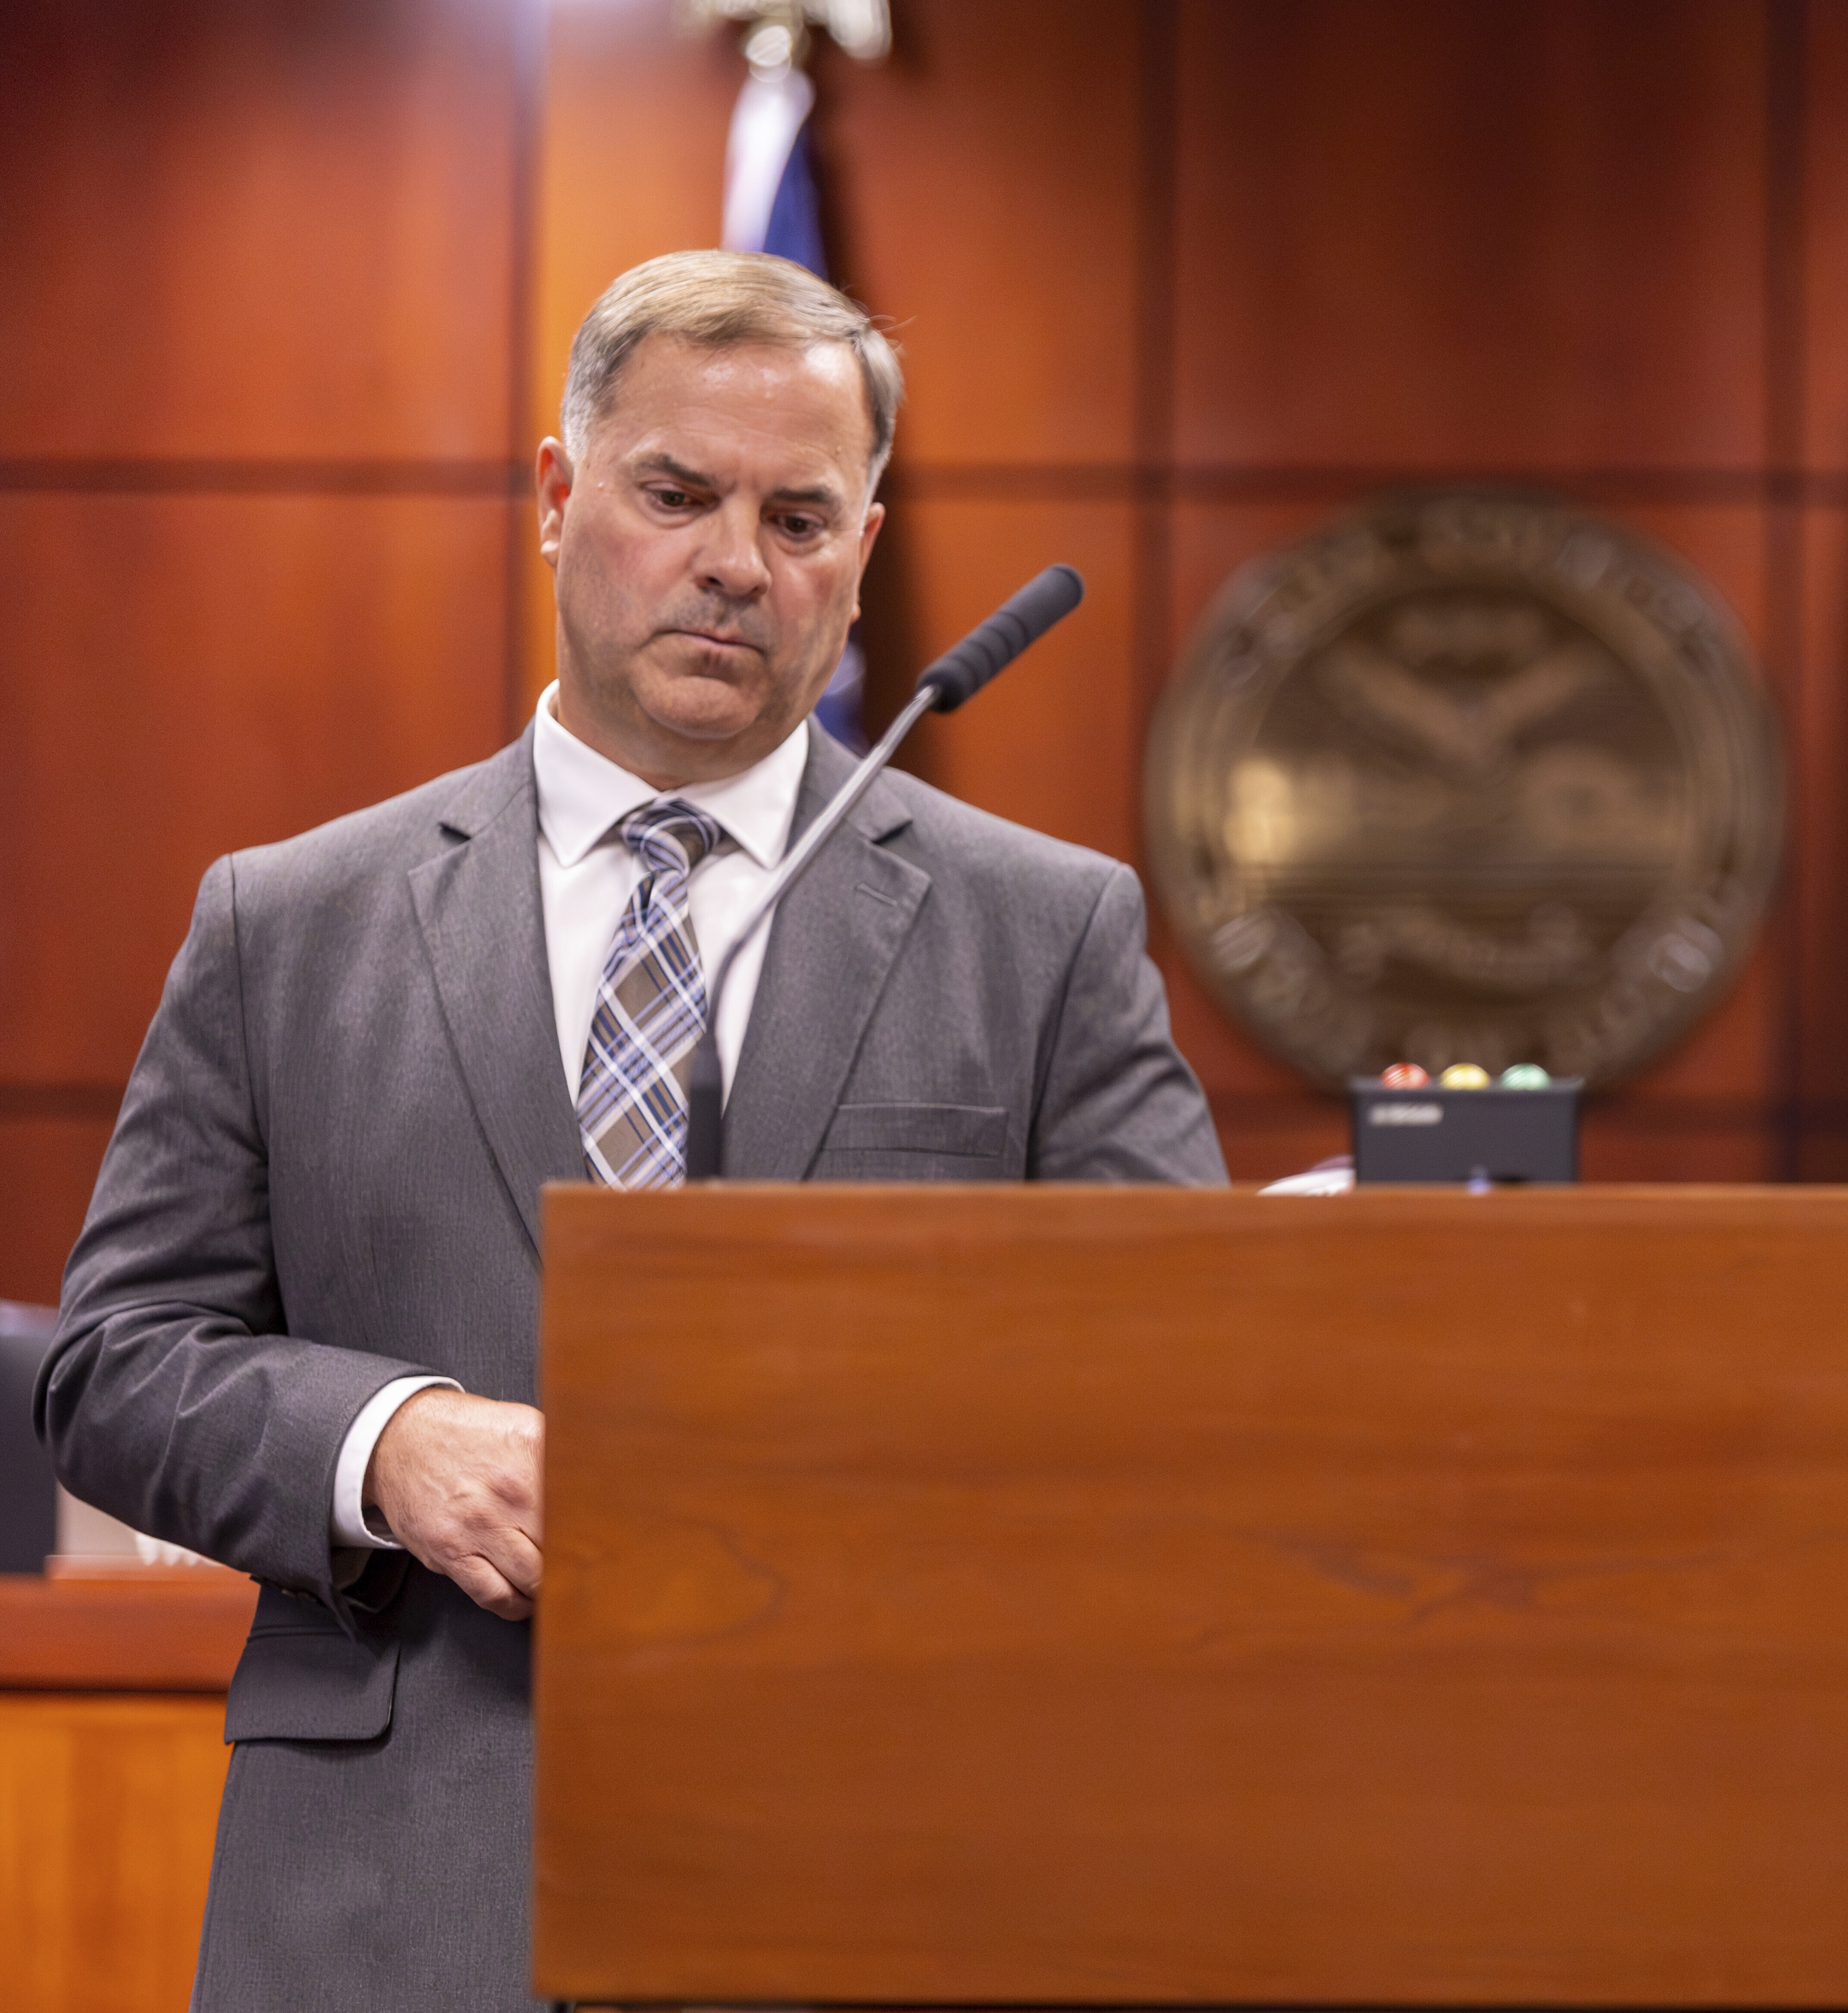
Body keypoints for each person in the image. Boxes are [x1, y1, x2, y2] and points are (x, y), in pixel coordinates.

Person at [41, 250, 1227, 2012]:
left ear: (864, 555)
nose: (736, 564)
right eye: (675, 495)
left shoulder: (1035, 933)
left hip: (883, 1886)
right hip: (394, 1898)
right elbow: (115, 1369)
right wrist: (385, 1440)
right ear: (556, 496)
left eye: (799, 517)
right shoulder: (289, 923)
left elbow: (1191, 1386)